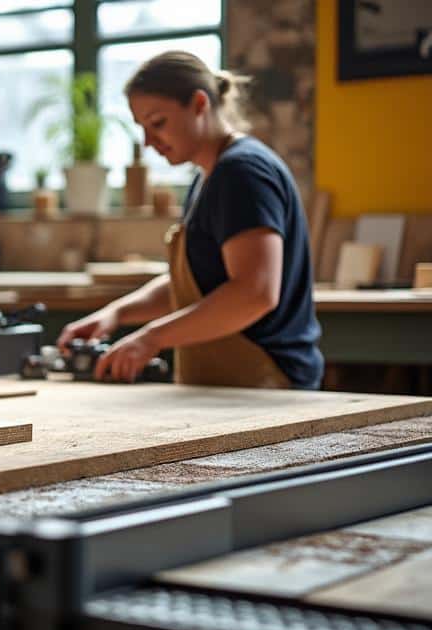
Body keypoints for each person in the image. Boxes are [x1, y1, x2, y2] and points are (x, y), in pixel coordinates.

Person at [59, 51, 322, 388]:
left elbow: (254, 293)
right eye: (142, 128)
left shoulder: (242, 173)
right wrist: (116, 314)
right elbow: (197, 285)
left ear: (199, 104)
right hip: (232, 386)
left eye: (158, 123)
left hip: (269, 384)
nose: (149, 142)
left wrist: (151, 338)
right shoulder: (207, 176)